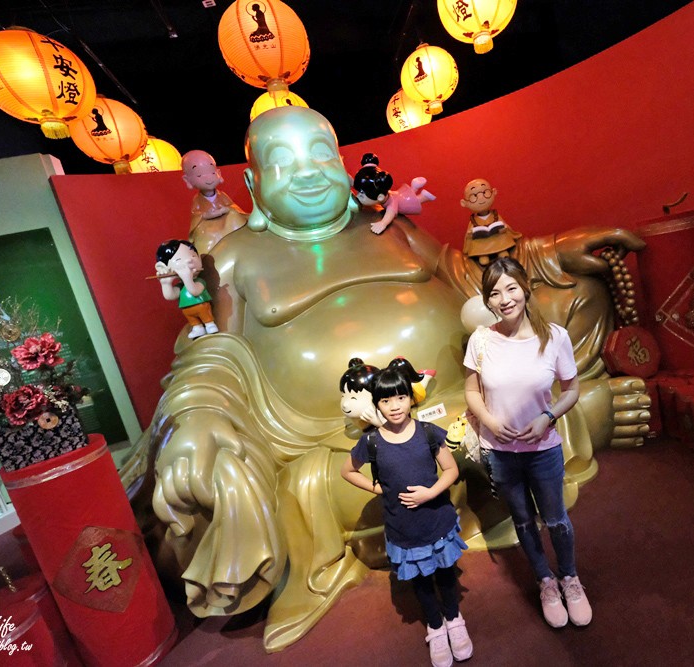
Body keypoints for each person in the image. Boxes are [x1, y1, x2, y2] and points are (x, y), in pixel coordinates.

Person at [134, 106, 648, 651]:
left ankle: (559, 442)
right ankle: (585, 416)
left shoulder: (389, 223)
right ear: (252, 182)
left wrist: (544, 258)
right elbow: (212, 351)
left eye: (321, 154)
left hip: (463, 392)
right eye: (283, 162)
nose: (308, 173)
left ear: (342, 160)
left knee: (578, 294)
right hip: (335, 436)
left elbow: (463, 271)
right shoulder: (233, 257)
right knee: (293, 493)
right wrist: (193, 418)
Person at [463, 256, 592, 628]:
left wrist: (547, 417)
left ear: (525, 289)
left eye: (511, 288)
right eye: (494, 293)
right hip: (500, 453)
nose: (504, 299)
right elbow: (471, 389)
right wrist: (488, 420)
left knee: (557, 520)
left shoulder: (554, 336)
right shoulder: (481, 339)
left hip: (543, 449)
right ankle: (545, 581)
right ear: (486, 300)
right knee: (522, 520)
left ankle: (570, 578)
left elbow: (571, 389)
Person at [341, 366, 471, 667]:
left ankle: (454, 618)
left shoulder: (427, 432)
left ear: (411, 399)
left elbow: (451, 470)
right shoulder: (371, 442)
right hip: (404, 527)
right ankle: (436, 627)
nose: (395, 406)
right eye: (386, 401)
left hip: (437, 519)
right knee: (422, 581)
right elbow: (347, 471)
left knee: (446, 573)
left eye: (401, 397)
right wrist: (378, 488)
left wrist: (429, 492)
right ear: (377, 404)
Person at [353, 153, 435, 235]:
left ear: (380, 197)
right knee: (410, 195)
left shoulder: (392, 203)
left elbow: (390, 212)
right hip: (398, 194)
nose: (358, 196)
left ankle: (424, 196)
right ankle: (415, 187)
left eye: (362, 195)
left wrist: (383, 223)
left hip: (403, 201)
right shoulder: (383, 195)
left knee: (412, 201)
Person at [181, 149, 246, 253]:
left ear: (218, 173)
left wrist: (227, 209)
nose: (208, 178)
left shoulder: (222, 195)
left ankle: (240, 247)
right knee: (205, 233)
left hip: (227, 224)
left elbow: (234, 208)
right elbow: (196, 216)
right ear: (187, 180)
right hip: (208, 228)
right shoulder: (197, 200)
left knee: (234, 217)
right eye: (199, 175)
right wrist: (206, 215)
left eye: (212, 172)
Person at [154, 239, 218, 339]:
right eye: (179, 260)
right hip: (187, 310)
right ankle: (197, 327)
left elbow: (195, 291)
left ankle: (209, 324)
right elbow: (170, 296)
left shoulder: (200, 281)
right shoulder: (181, 286)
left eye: (193, 256)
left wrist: (187, 278)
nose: (189, 260)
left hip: (201, 306)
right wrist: (166, 284)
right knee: (192, 319)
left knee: (206, 315)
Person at [459, 178, 520, 265]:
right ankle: (483, 255)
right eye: (474, 196)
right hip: (481, 244)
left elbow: (506, 227)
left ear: (494, 192)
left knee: (501, 238)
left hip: (498, 240)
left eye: (485, 193)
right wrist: (470, 234)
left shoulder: (495, 215)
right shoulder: (473, 221)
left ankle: (501, 251)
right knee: (478, 245)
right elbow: (468, 236)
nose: (481, 198)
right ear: (464, 203)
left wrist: (504, 228)